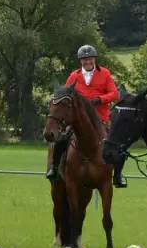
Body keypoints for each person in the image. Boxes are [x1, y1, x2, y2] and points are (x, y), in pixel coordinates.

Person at [47, 44, 123, 187]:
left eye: (90, 59)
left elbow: (114, 93)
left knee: (118, 142)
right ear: (80, 61)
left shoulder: (105, 73)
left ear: (95, 59)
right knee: (62, 138)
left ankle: (118, 175)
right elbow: (65, 93)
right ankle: (55, 167)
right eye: (84, 59)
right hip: (78, 119)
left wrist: (100, 99)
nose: (88, 62)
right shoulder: (74, 76)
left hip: (100, 118)